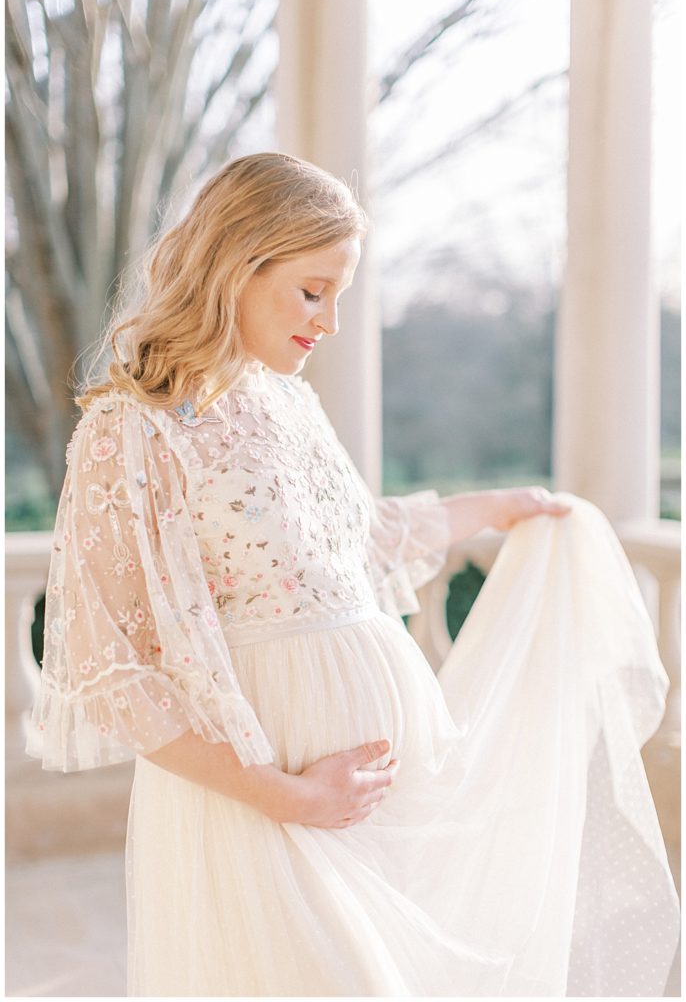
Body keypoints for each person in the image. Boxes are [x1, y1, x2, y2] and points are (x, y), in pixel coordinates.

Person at [27, 153, 679, 996]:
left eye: (339, 294)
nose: (329, 321)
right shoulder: (130, 433)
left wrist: (500, 506)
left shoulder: (287, 403)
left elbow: (357, 543)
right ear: (237, 264)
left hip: (383, 799)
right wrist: (279, 793)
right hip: (263, 796)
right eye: (311, 290)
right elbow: (110, 670)